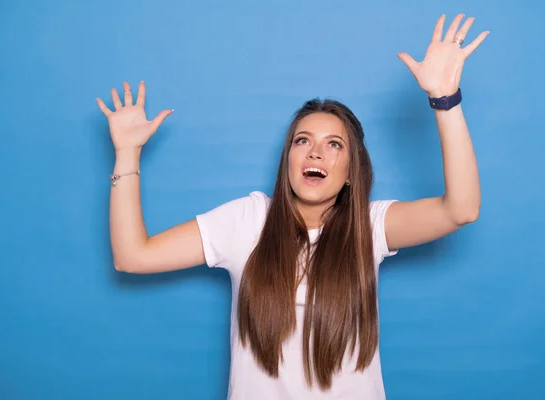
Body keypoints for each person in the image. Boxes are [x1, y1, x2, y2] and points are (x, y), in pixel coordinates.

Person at [96, 13, 488, 400]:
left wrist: (445, 100)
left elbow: (461, 209)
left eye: (334, 144)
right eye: (303, 141)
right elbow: (133, 256)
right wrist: (127, 153)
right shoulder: (246, 221)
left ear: (351, 171)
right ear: (288, 159)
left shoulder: (370, 226)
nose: (315, 152)